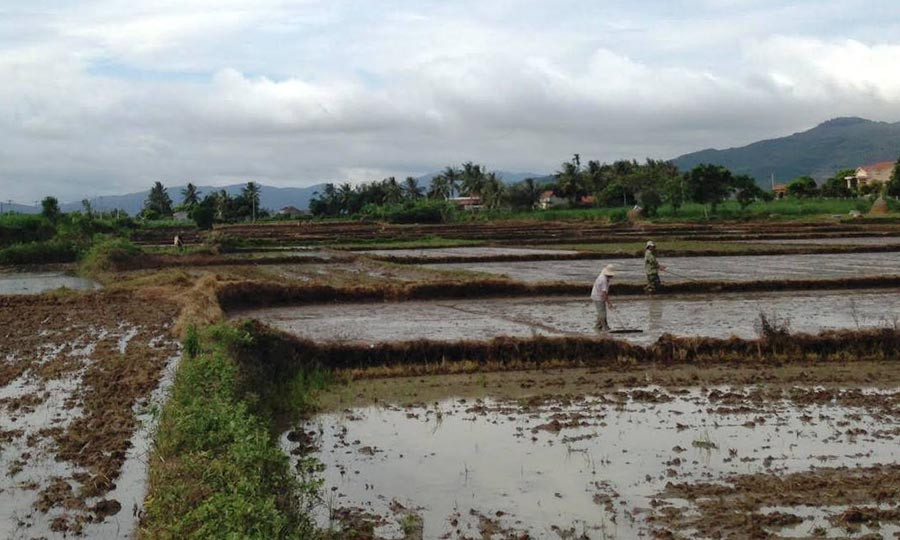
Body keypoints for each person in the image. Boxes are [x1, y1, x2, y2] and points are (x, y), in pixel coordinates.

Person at [591, 264, 616, 332]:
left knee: (601, 312)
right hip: (597, 296)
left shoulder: (604, 275)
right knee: (603, 313)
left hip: (598, 295)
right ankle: (606, 328)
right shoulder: (603, 280)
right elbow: (604, 293)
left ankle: (597, 327)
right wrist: (609, 303)